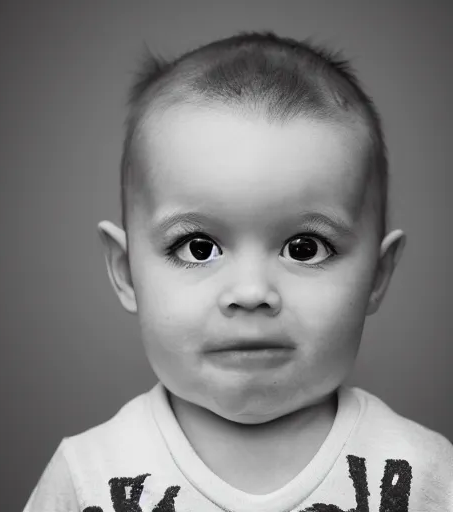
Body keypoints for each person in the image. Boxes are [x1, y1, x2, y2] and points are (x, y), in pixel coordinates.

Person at [24, 31, 453, 511]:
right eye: (200, 247)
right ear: (126, 272)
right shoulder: (88, 478)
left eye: (305, 248)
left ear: (378, 273)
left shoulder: (427, 475)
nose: (251, 292)